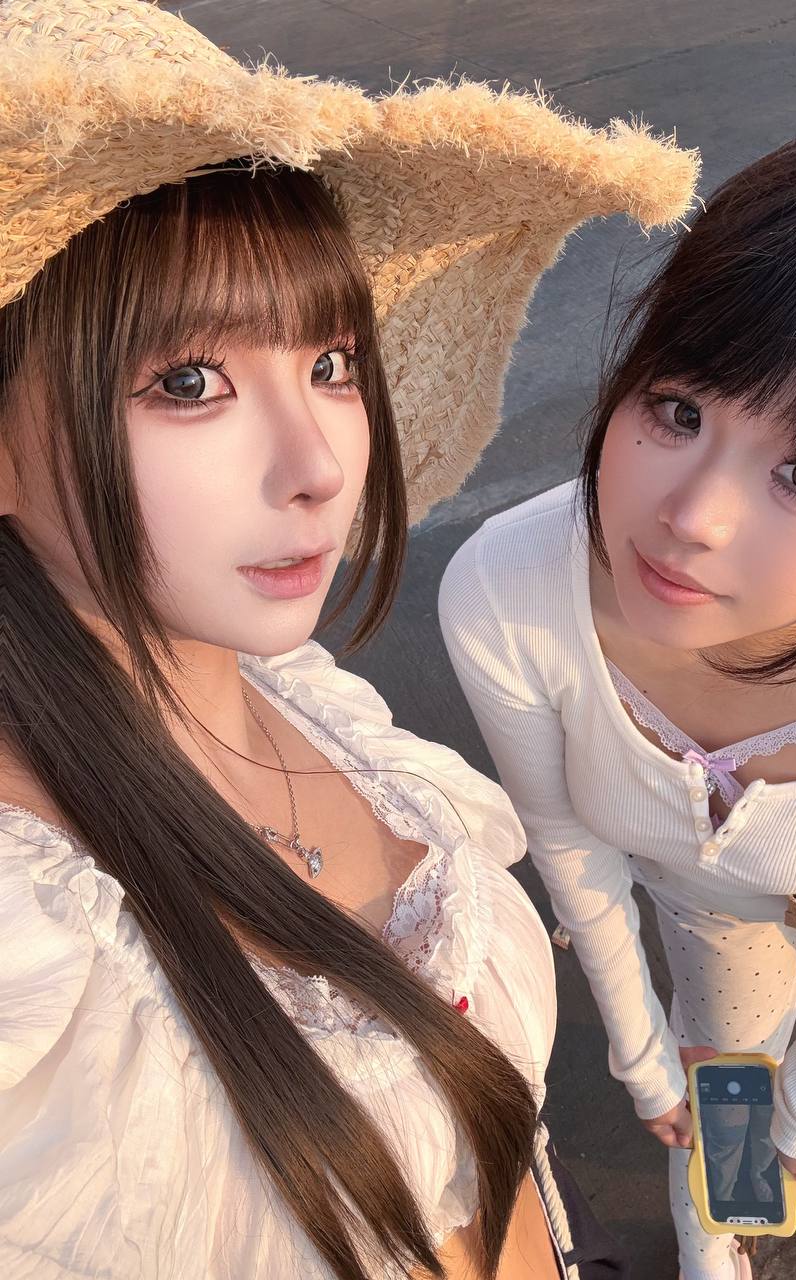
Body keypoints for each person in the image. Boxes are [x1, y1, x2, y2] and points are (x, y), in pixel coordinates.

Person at [0, 2, 698, 1277]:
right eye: (189, 382)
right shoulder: (32, 965)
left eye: (329, 361)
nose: (318, 462)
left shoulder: (301, 691)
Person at [439, 122, 796, 1280]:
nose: (690, 516)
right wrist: (640, 1062)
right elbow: (569, 848)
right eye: (677, 408)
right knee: (723, 1071)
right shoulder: (508, 593)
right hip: (707, 911)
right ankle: (713, 1210)